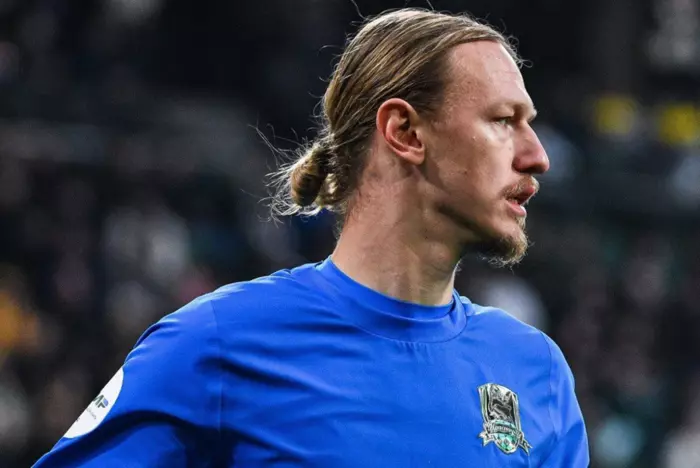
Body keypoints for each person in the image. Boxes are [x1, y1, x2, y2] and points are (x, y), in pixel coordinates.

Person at [34, 8, 589, 467]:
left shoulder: (535, 370)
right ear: (404, 132)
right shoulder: (219, 343)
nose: (537, 155)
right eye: (503, 120)